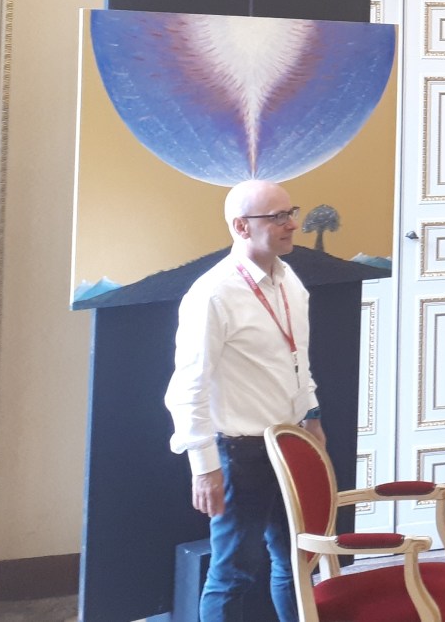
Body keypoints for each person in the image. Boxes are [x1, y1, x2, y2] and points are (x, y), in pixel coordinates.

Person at [166, 180, 324, 621]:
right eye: (278, 217)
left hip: (289, 443)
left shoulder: (289, 280)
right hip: (240, 453)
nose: (293, 224)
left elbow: (296, 358)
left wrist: (311, 416)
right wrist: (204, 467)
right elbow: (188, 388)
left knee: (296, 562)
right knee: (233, 574)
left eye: (291, 212)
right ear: (241, 226)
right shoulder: (213, 294)